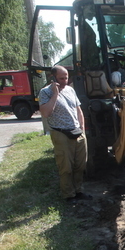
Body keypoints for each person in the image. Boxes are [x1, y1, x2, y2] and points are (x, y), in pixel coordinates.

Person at [38, 65, 90, 202]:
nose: (65, 81)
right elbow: (45, 113)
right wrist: (55, 94)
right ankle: (69, 194)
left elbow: (78, 110)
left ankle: (78, 191)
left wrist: (82, 129)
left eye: (66, 77)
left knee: (81, 165)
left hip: (78, 132)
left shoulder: (71, 90)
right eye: (61, 78)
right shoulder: (45, 93)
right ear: (53, 78)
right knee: (66, 166)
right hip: (61, 133)